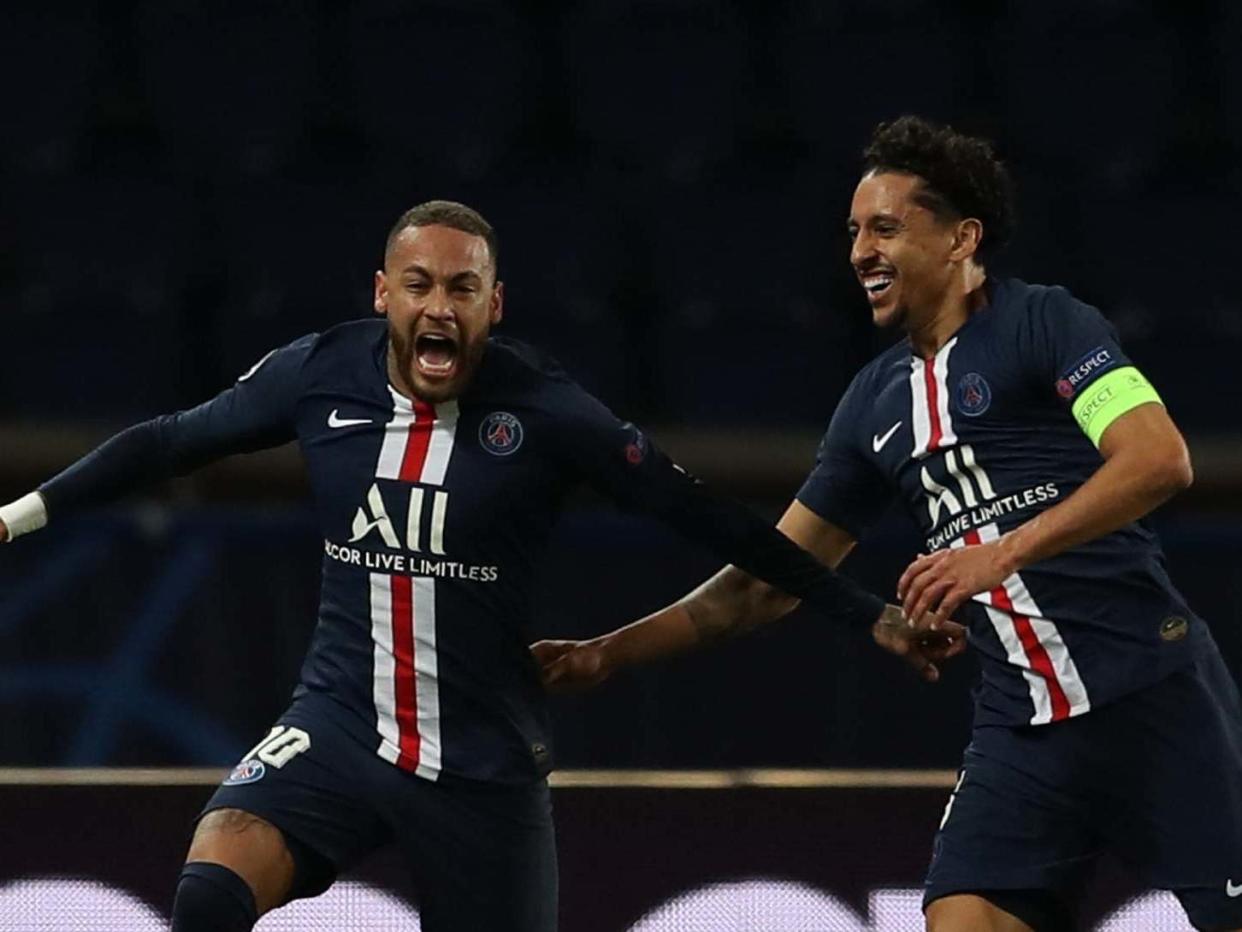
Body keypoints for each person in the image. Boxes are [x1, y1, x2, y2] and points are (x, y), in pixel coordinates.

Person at [0, 200, 945, 932]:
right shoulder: (319, 373)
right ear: (383, 295)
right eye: (419, 286)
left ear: (494, 305)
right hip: (337, 726)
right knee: (208, 894)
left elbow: (710, 520)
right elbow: (165, 444)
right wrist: (14, 518)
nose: (438, 307)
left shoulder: (549, 415)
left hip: (481, 765)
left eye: (461, 289)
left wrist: (863, 611)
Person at [534, 118, 1242, 932]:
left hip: (1151, 692)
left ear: (960, 237)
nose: (860, 252)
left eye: (885, 228)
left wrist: (996, 555)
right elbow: (765, 583)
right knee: (960, 919)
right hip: (1022, 730)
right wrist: (608, 651)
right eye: (852, 233)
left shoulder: (1050, 323)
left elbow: (1157, 461)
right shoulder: (873, 403)